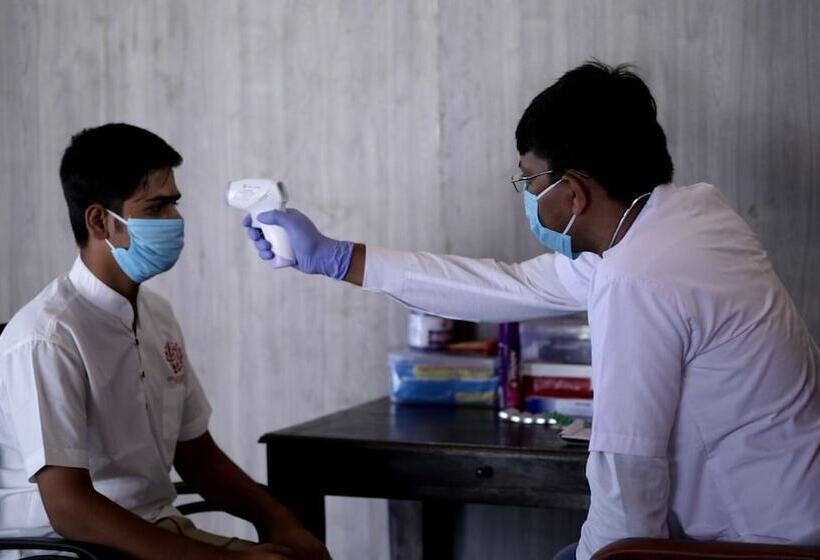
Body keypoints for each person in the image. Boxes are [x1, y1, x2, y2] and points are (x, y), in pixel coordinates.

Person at [242, 62, 820, 559]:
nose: (525, 192)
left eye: (528, 177)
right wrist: (341, 258)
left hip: (758, 542)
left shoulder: (639, 276)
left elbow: (628, 478)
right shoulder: (688, 221)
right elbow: (510, 287)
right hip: (789, 513)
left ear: (573, 191)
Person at [0, 124, 330, 560]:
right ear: (100, 221)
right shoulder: (47, 337)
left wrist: (280, 520)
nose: (175, 220)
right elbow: (69, 508)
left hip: (155, 532)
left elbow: (196, 454)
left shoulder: (156, 315)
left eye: (174, 203)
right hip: (66, 551)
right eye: (156, 207)